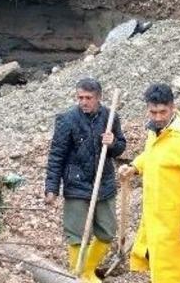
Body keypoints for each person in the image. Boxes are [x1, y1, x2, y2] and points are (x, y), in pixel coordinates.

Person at [119, 83, 180, 283]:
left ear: (173, 107)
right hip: (157, 218)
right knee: (162, 270)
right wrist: (135, 166)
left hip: (176, 222)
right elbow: (155, 155)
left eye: (163, 112)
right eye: (153, 112)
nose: (158, 117)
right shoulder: (158, 131)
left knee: (174, 274)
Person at [45, 78, 126, 283]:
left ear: (98, 97)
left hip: (104, 184)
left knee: (107, 232)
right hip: (76, 184)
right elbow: (56, 155)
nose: (84, 102)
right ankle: (78, 276)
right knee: (76, 235)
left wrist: (113, 142)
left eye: (88, 98)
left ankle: (88, 270)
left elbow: (120, 147)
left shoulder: (110, 117)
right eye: (80, 97)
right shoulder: (67, 120)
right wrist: (52, 187)